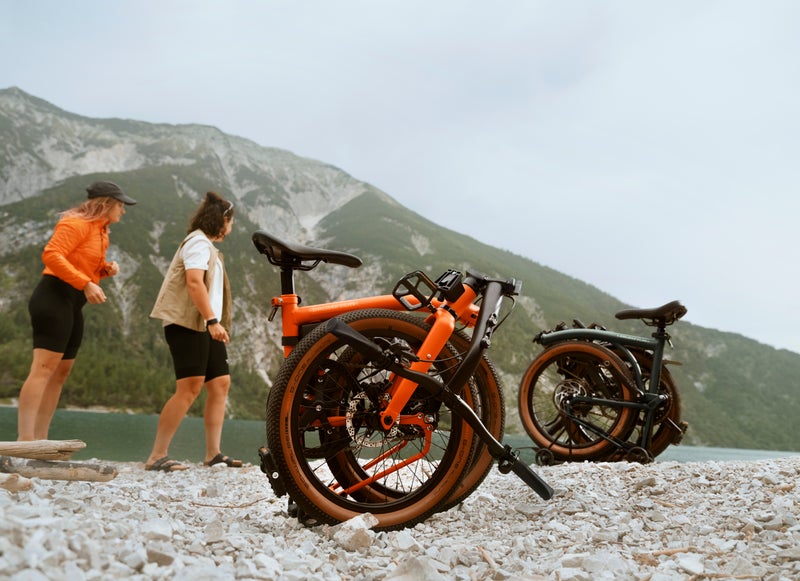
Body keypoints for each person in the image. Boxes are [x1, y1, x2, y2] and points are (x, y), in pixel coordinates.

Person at [17, 181, 137, 441]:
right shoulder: (75, 223)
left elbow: (80, 261)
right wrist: (86, 284)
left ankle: (41, 441)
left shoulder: (101, 230)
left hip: (73, 303)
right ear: (105, 204)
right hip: (53, 297)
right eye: (120, 205)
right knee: (44, 368)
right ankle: (24, 441)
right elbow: (52, 255)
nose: (123, 211)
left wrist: (104, 269)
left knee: (61, 372)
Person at [145, 191, 241, 472]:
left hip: (206, 324)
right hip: (190, 324)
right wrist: (212, 320)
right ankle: (156, 455)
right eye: (230, 222)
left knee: (220, 383)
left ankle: (213, 454)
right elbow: (194, 283)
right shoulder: (197, 243)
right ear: (222, 220)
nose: (231, 228)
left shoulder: (207, 246)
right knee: (189, 387)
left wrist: (213, 322)